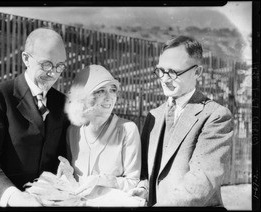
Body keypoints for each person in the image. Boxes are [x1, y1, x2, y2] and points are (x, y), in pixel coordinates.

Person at [0, 27, 70, 206]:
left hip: (42, 200)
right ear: (26, 59)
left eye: (60, 66)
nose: (53, 73)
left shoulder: (62, 103)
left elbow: (60, 153)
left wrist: (65, 166)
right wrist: (15, 197)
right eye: (46, 64)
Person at [130, 35, 234, 207]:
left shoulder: (215, 116)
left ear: (197, 72)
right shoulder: (153, 116)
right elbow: (147, 171)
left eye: (173, 72)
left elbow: (202, 181)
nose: (164, 79)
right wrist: (144, 189)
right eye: (160, 70)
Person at [59, 64, 142, 196]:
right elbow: (75, 181)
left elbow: (133, 182)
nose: (109, 97)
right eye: (101, 91)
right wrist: (68, 175)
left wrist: (101, 180)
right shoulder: (73, 131)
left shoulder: (127, 129)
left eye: (113, 90)